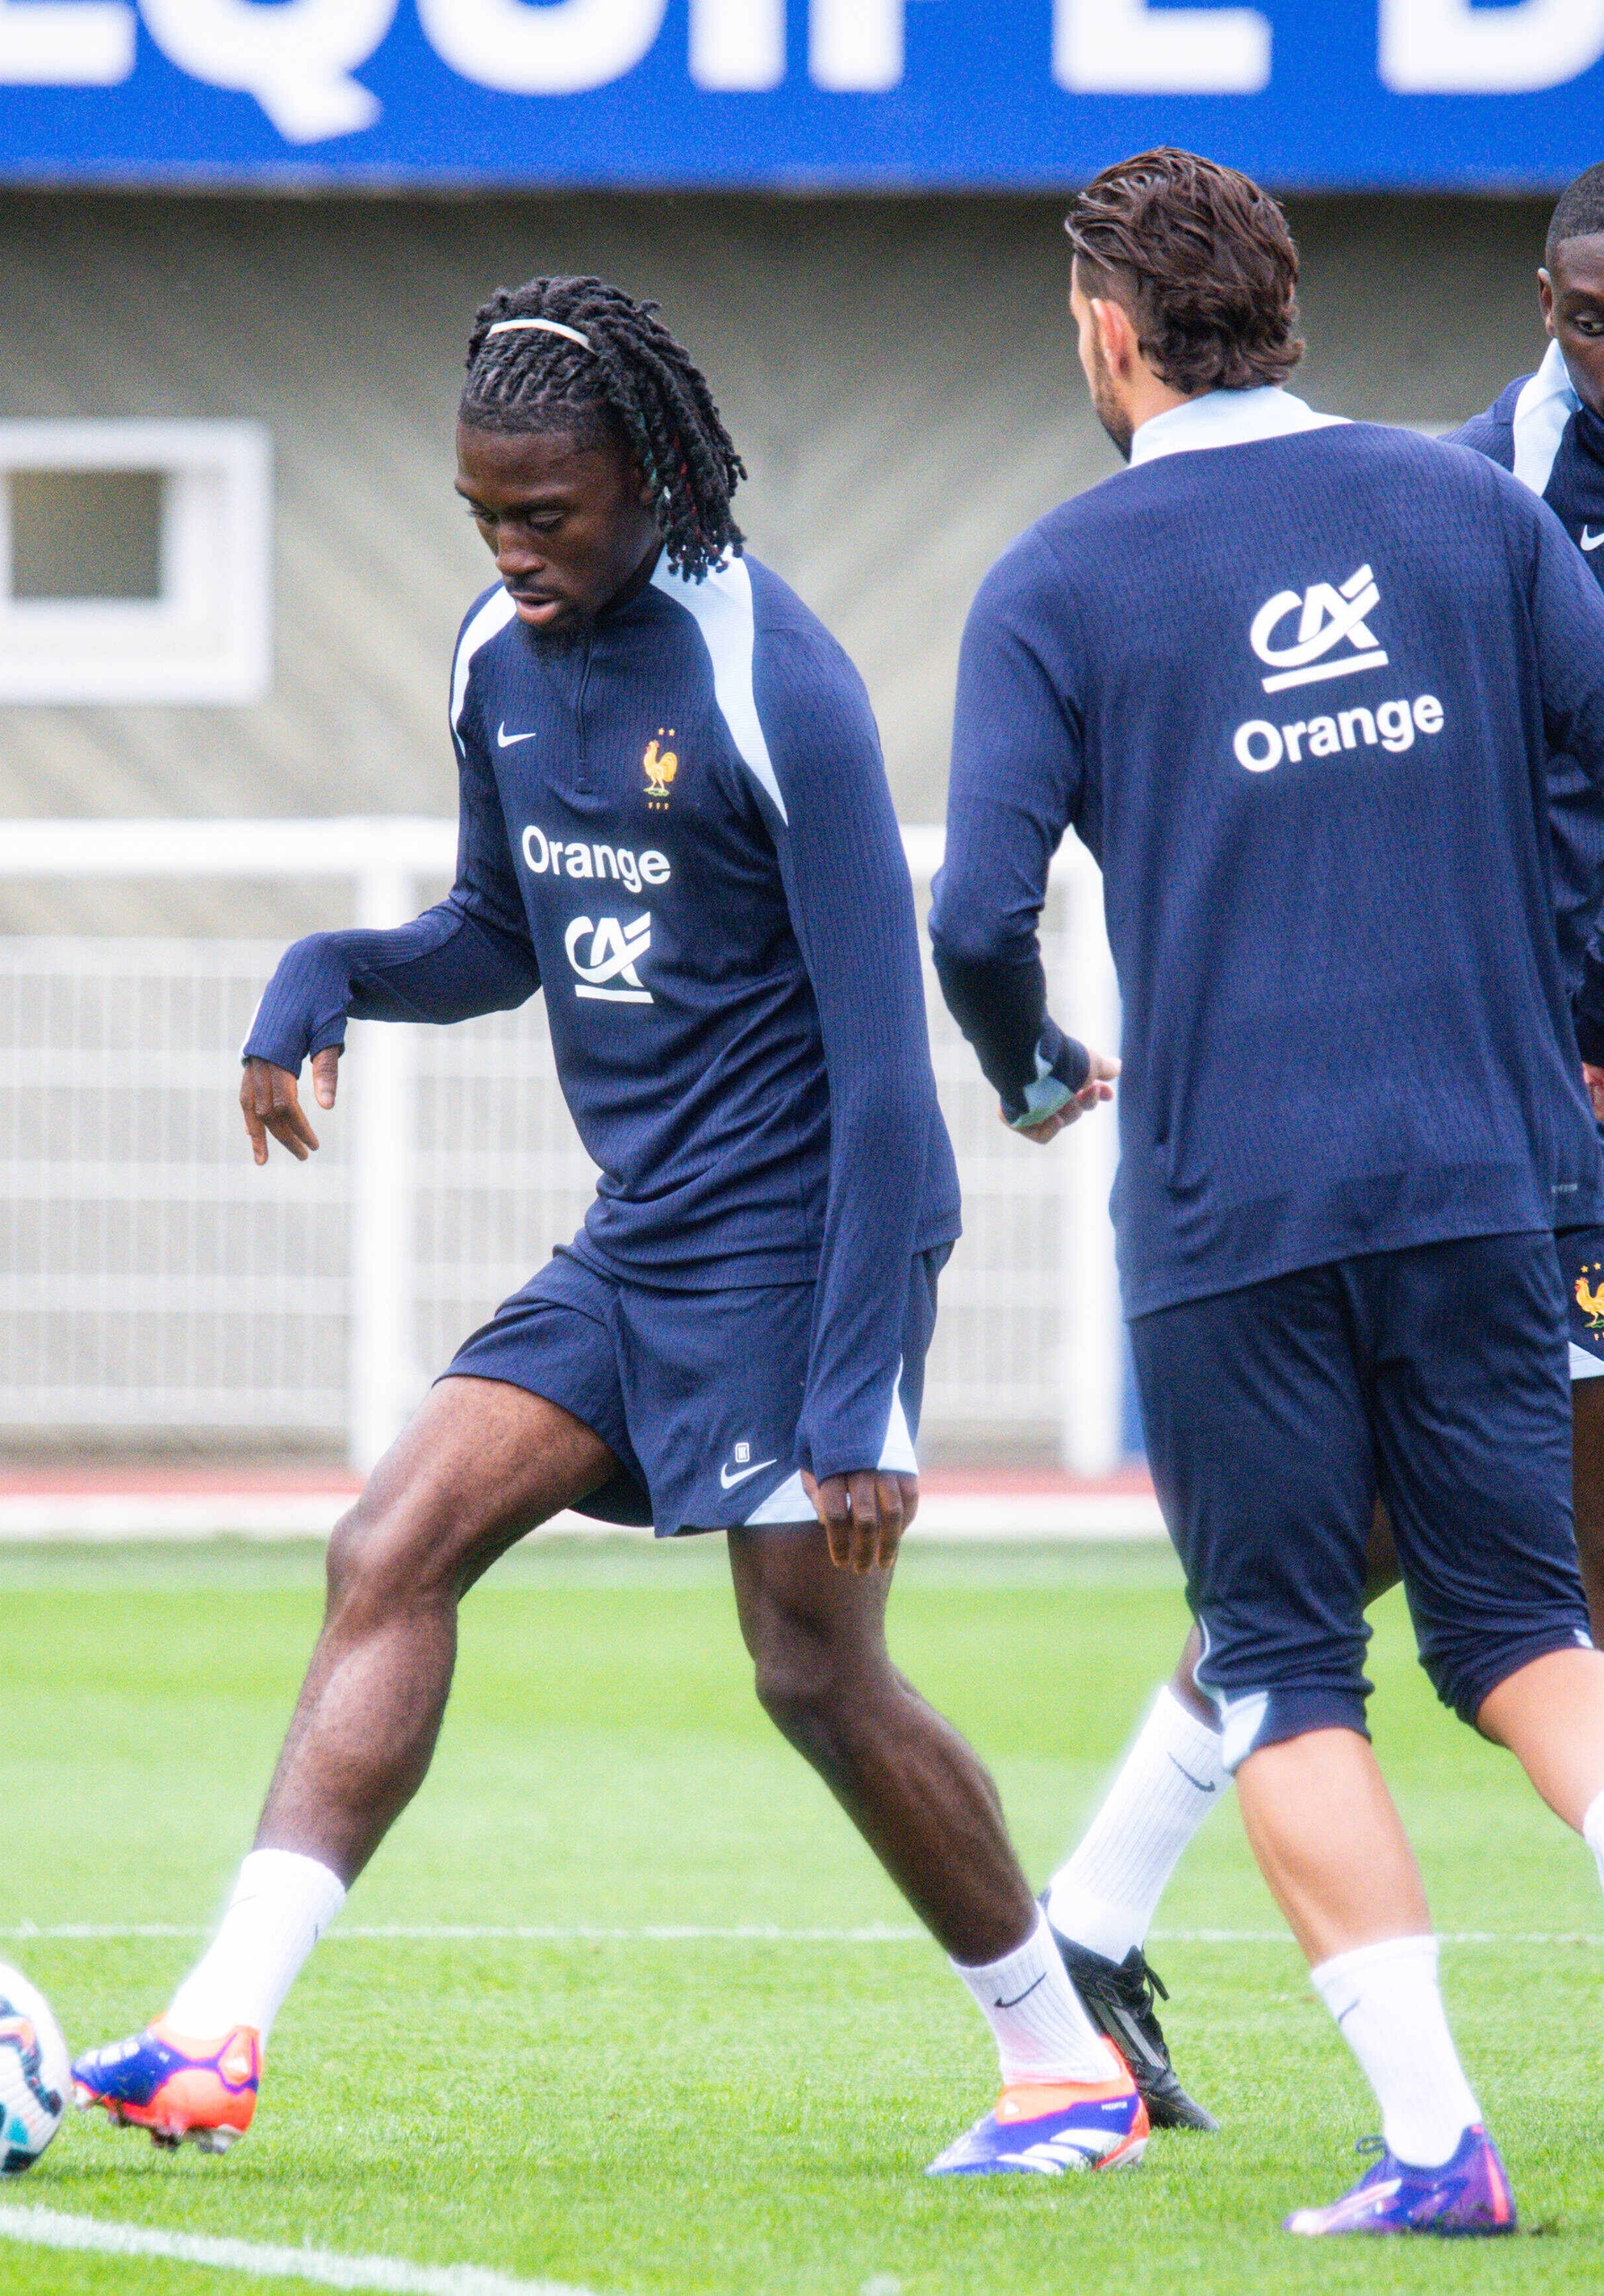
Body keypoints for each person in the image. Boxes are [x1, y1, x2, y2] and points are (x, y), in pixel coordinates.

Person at [68, 275, 1146, 2179]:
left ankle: (1063, 2064)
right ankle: (213, 2027)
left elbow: (893, 1083)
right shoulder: (498, 644)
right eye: (481, 509)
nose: (509, 546)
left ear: (650, 476)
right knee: (387, 1541)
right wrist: (326, 968)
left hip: (804, 1241)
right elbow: (500, 933)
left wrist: (859, 1399)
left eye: (545, 511)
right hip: (644, 1232)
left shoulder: (773, 681)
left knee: (817, 1672)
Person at [933, 149, 1604, 2233]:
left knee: (1286, 1664)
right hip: (1500, 1166)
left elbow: (976, 903)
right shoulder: (1475, 512)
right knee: (1525, 1623)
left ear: (1112, 333)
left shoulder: (1056, 578)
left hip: (1238, 1203)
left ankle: (1438, 2141)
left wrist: (1033, 1063)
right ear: (1292, 310)